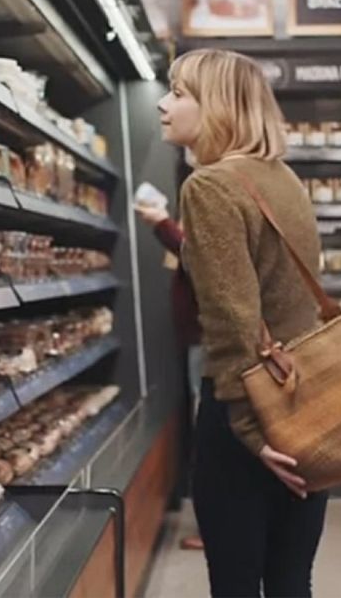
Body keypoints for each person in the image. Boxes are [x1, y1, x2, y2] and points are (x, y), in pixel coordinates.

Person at [158, 47, 328, 597]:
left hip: (245, 416)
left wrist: (253, 434)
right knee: (290, 580)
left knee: (234, 585)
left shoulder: (208, 187)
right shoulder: (282, 180)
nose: (164, 104)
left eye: (179, 93)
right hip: (304, 402)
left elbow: (233, 318)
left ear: (217, 107)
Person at [134, 196, 205, 552]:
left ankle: (219, 526)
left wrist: (163, 223)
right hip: (201, 343)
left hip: (209, 344)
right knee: (209, 428)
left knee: (210, 432)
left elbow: (198, 258)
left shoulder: (211, 195)